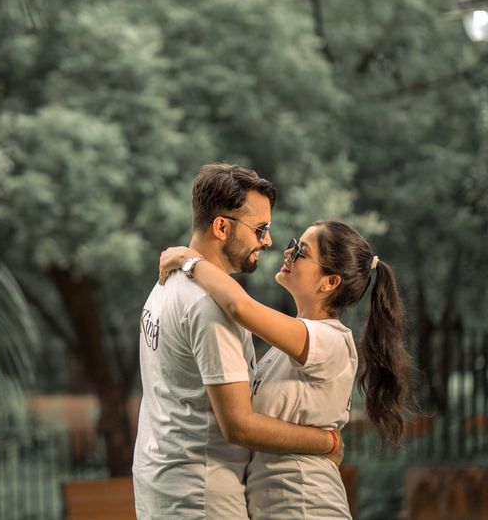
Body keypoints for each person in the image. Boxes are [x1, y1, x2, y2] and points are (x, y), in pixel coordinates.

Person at [159, 219, 412, 519]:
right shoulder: (288, 346)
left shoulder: (330, 340)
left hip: (307, 506)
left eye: (301, 252)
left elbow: (239, 306)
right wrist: (324, 440)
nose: (287, 253)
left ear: (329, 282)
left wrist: (191, 260)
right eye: (293, 245)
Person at [133, 164, 343, 519]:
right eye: (260, 229)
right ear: (221, 226)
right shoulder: (210, 306)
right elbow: (239, 425)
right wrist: (328, 441)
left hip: (160, 483)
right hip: (202, 495)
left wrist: (189, 259)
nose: (268, 241)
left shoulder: (166, 283)